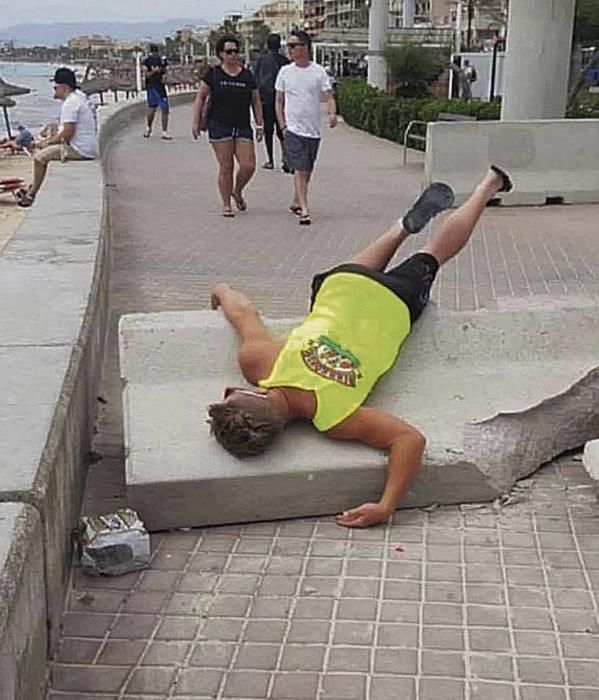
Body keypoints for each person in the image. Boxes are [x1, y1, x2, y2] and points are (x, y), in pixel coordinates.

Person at [207, 166, 514, 528]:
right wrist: (221, 290)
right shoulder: (263, 363)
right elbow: (244, 311)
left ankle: (489, 184)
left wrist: (386, 505)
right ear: (242, 390)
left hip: (393, 304)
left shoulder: (334, 418)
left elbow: (409, 440)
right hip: (342, 284)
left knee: (434, 254)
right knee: (347, 278)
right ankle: (400, 228)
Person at [191, 34, 264, 218]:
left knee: (248, 165)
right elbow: (200, 97)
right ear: (221, 54)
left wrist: (260, 124)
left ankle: (237, 190)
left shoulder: (247, 75)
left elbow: (255, 100)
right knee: (226, 166)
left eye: (235, 51)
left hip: (242, 126)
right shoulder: (214, 74)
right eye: (229, 52)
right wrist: (195, 121)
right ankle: (226, 204)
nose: (233, 55)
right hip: (219, 125)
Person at [275, 29, 337, 226]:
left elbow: (328, 96)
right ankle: (304, 209)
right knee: (300, 168)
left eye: (293, 46)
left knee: (307, 169)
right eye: (288, 46)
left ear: (305, 47)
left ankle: (296, 200)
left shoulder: (318, 71)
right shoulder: (285, 72)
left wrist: (332, 112)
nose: (290, 50)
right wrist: (283, 125)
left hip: (313, 130)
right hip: (293, 129)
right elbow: (279, 101)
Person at [16, 68, 97, 208]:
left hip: (79, 149)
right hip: (87, 146)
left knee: (40, 158)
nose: (54, 90)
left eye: (55, 87)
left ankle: (32, 193)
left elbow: (67, 134)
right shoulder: (79, 97)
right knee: (45, 148)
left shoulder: (70, 104)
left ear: (64, 87)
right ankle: (34, 186)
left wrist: (45, 143)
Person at [252, 33, 290, 171]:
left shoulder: (261, 61)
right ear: (279, 45)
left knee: (268, 131)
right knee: (283, 129)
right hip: (282, 100)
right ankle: (287, 158)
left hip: (266, 101)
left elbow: (254, 81)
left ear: (267, 45)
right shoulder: (286, 61)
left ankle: (270, 160)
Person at [143, 44, 171, 140]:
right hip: (156, 87)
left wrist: (159, 72)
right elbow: (166, 73)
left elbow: (146, 75)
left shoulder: (147, 60)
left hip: (154, 87)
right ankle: (163, 132)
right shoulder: (161, 60)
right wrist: (157, 72)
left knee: (154, 108)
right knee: (163, 109)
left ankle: (149, 129)